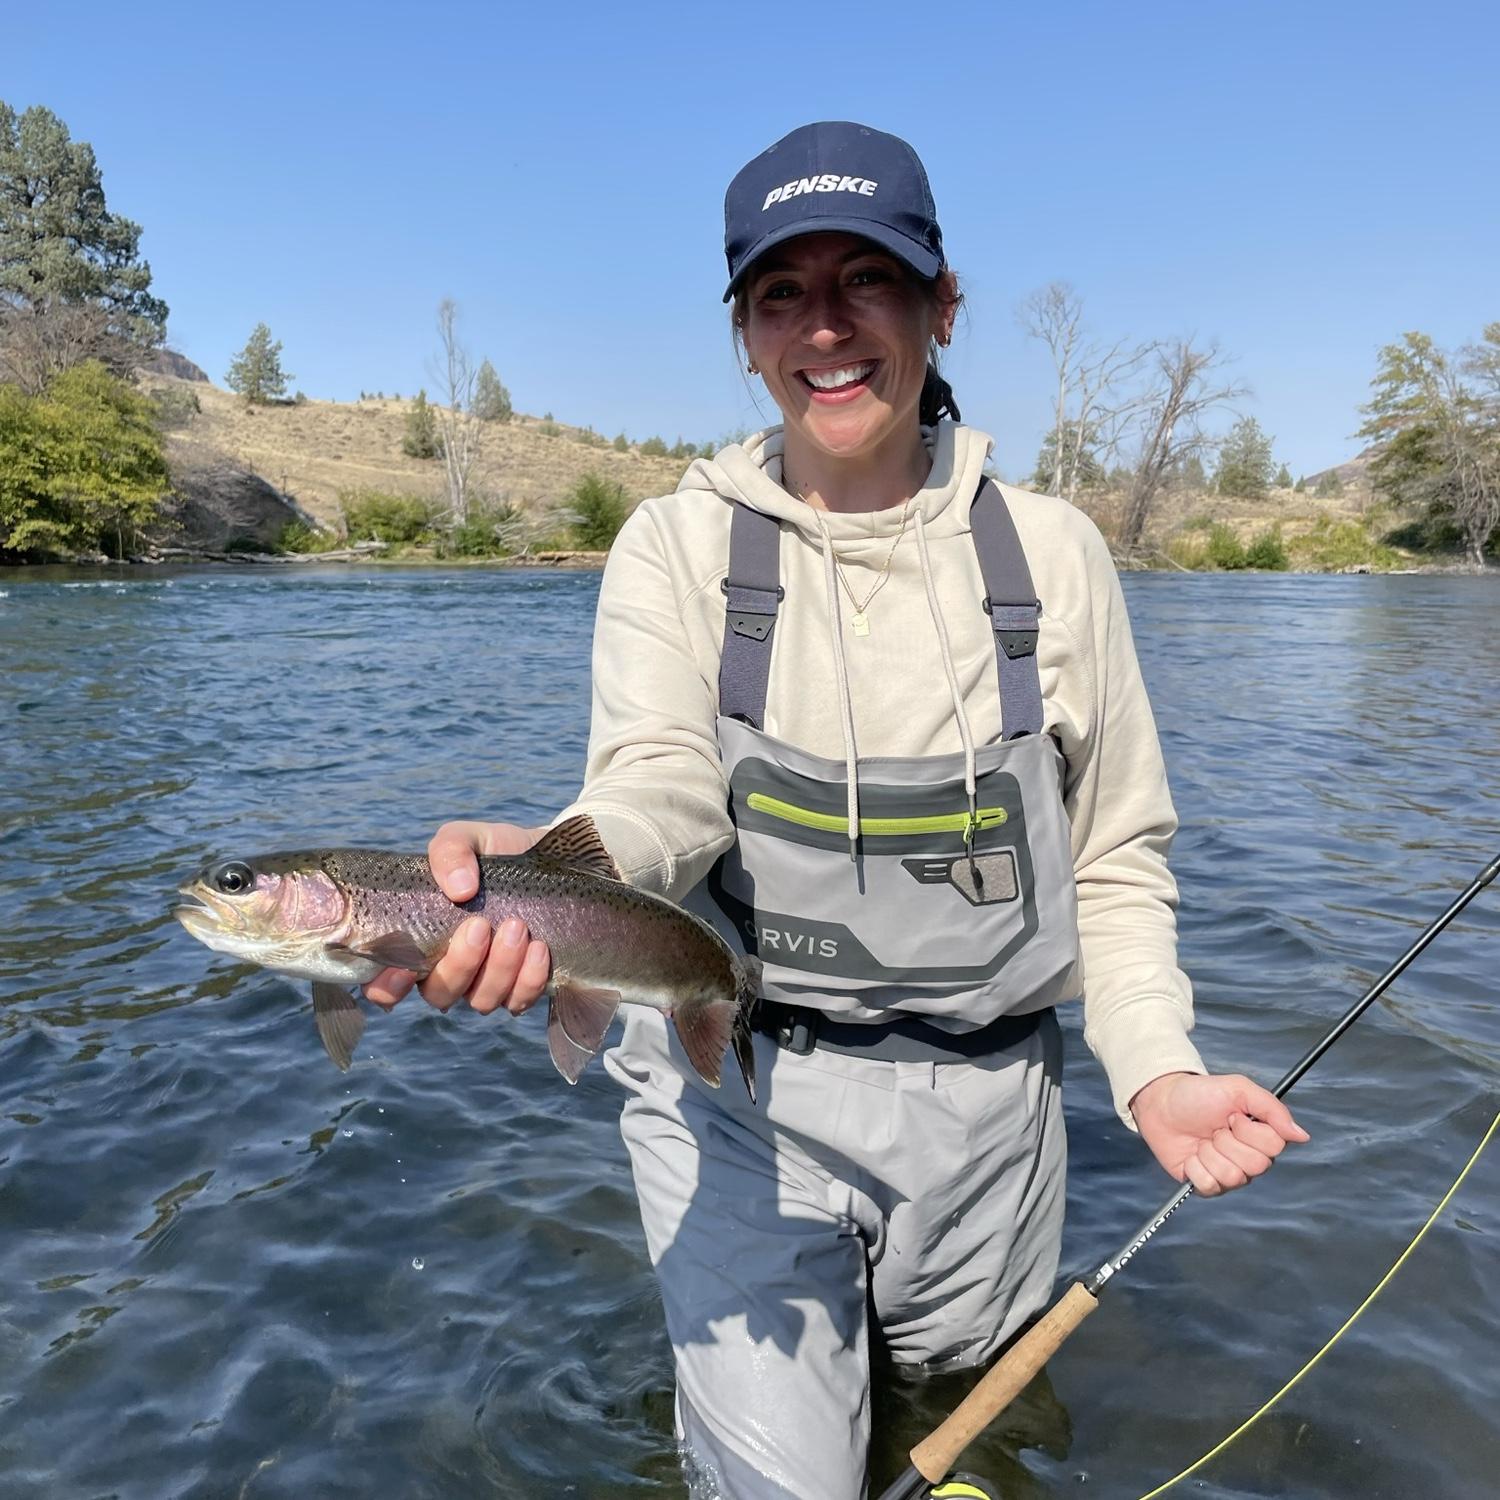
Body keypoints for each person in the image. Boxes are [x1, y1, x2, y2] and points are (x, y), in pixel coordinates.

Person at [364, 122, 1309, 1499]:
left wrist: (1155, 1068)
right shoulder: (676, 546)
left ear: (941, 303)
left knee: (964, 1449)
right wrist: (555, 877)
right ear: (745, 333)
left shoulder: (1054, 557)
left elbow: (1113, 855)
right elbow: (659, 784)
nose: (826, 327)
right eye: (781, 292)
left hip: (997, 1119)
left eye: (866, 277)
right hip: (741, 1094)